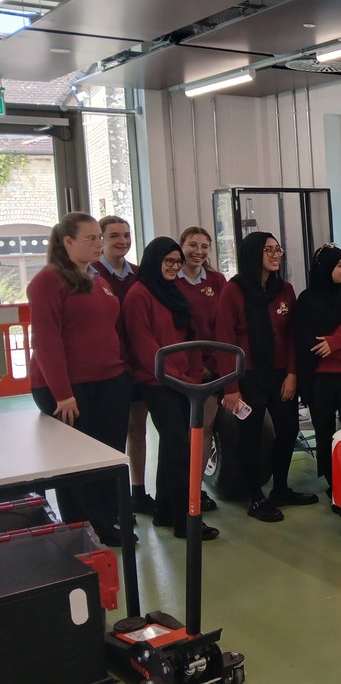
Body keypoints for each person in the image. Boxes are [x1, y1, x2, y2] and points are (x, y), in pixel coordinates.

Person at [28, 213, 132, 547]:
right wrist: (63, 394)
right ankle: (92, 527)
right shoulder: (47, 282)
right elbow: (46, 341)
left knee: (108, 455)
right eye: (92, 239)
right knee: (76, 464)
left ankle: (106, 519)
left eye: (99, 238)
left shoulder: (97, 279)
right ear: (68, 242)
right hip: (69, 389)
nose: (99, 244)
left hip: (110, 380)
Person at [216, 231, 316, 522]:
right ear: (252, 254)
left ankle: (281, 488)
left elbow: (292, 337)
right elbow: (225, 340)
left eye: (278, 249)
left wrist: (293, 374)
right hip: (247, 375)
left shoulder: (284, 289)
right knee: (251, 436)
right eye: (268, 250)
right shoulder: (233, 291)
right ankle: (255, 497)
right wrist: (230, 388)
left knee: (287, 430)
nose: (275, 255)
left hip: (280, 373)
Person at [123, 237, 218, 541]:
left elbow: (189, 336)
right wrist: (175, 376)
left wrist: (192, 376)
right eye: (169, 261)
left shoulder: (174, 292)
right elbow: (143, 344)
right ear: (154, 261)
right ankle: (184, 520)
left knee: (173, 446)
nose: (175, 267)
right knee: (179, 446)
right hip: (156, 381)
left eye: (178, 262)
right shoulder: (139, 295)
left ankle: (165, 511)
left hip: (183, 382)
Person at [294, 245, 341, 494]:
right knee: (324, 432)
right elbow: (312, 345)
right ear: (325, 268)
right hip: (320, 378)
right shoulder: (307, 300)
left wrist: (338, 344)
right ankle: (333, 482)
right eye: (340, 265)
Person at [92, 215, 152, 516]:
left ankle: (138, 490)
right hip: (109, 366)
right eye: (114, 235)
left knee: (137, 429)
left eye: (126, 235)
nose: (123, 241)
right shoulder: (92, 274)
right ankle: (110, 499)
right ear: (100, 239)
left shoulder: (140, 275)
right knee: (110, 433)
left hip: (137, 362)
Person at [175, 225, 226, 512]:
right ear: (182, 245)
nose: (198, 251)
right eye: (193, 245)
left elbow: (224, 325)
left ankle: (196, 489)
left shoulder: (217, 281)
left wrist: (214, 364)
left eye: (204, 246)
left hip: (212, 369)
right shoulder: (171, 280)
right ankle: (179, 489)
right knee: (180, 432)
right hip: (181, 368)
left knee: (204, 429)